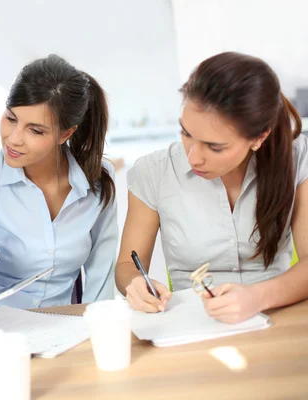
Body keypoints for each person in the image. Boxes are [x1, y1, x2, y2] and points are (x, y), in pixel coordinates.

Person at [115, 52, 308, 323]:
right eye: (186, 133)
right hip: (191, 324)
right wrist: (134, 284)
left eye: (215, 146)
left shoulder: (297, 159)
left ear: (259, 137)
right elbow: (126, 266)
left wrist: (257, 297)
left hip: (279, 317)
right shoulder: (153, 171)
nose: (193, 157)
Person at [0, 54, 118, 309]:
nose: (14, 139)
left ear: (66, 133)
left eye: (35, 130)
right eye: (11, 118)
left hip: (63, 334)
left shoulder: (98, 180)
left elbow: (101, 283)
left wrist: (94, 335)